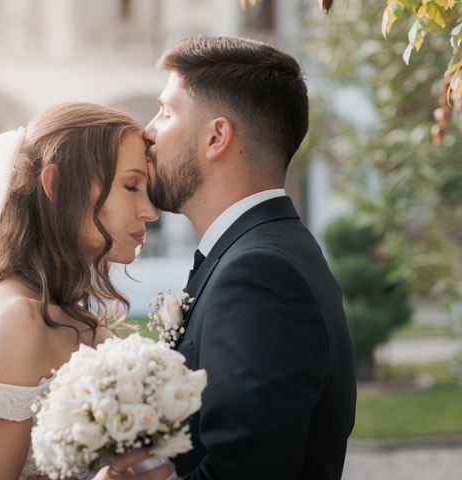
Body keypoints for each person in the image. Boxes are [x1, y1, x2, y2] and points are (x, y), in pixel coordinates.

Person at [0, 102, 176, 480]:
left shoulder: (61, 307)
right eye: (131, 186)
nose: (150, 212)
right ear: (56, 185)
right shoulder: (11, 323)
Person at [144, 36, 357, 479]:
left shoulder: (259, 274)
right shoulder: (269, 251)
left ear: (217, 137)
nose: (148, 131)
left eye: (166, 113)